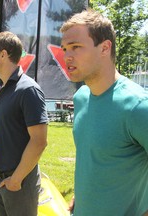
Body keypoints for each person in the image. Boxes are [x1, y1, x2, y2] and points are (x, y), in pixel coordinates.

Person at [60, 9, 148, 216]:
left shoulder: (137, 105)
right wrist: (84, 195)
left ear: (105, 48)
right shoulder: (81, 97)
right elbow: (96, 160)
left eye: (76, 47)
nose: (67, 56)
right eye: (64, 49)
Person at [0, 31, 48, 216]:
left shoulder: (28, 89)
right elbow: (2, 129)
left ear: (3, 54)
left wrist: (16, 180)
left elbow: (39, 141)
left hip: (18, 184)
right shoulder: (3, 86)